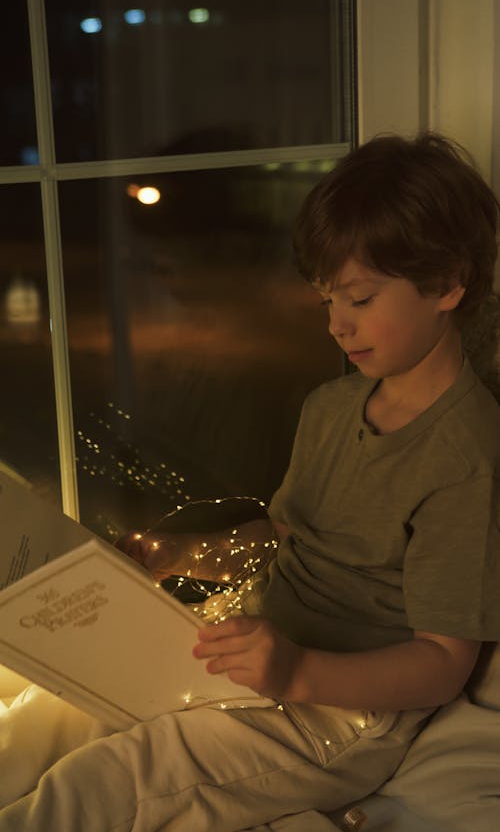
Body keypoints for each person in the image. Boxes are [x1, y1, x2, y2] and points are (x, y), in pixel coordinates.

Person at [1, 132, 499, 831]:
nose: (336, 325)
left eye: (358, 297)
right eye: (327, 299)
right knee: (54, 716)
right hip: (263, 653)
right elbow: (284, 534)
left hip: (344, 713)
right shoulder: (331, 407)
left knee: (116, 779)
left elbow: (443, 664)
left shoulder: (467, 454)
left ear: (448, 283)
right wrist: (178, 558)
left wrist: (296, 672)